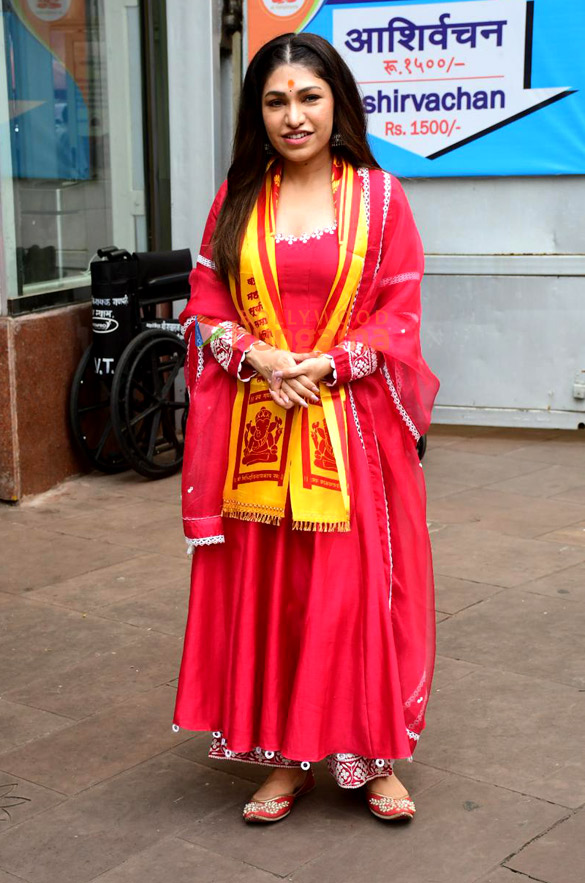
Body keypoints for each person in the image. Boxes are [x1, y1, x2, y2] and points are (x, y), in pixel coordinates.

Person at [172, 32, 439, 824]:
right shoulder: (240, 198)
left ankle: (373, 757)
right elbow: (204, 302)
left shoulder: (380, 197)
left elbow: (401, 311)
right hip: (260, 429)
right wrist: (251, 353)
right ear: (258, 113)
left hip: (349, 430)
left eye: (309, 97)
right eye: (276, 100)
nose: (294, 116)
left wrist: (332, 363)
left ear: (336, 104)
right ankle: (286, 760)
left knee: (354, 594)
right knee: (277, 594)